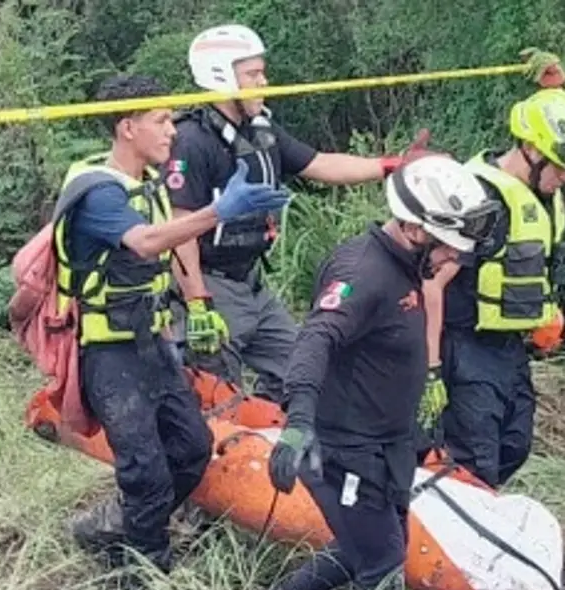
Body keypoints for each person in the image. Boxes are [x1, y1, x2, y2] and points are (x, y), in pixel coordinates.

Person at [255, 154, 501, 590]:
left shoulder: (407, 265)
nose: (453, 261)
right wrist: (298, 421)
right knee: (383, 561)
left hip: (388, 443)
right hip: (341, 449)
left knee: (368, 546)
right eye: (447, 249)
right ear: (414, 229)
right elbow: (315, 340)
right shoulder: (363, 272)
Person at [58, 73, 290, 590]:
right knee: (145, 471)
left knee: (189, 450)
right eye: (161, 121)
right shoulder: (97, 191)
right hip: (109, 354)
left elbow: (166, 252)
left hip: (153, 345)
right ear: (128, 128)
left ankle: (118, 527)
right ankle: (138, 584)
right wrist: (219, 212)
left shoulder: (151, 183)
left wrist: (194, 304)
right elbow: (142, 243)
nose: (171, 131)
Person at [166, 23, 432, 404]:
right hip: (212, 284)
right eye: (253, 74)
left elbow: (321, 164)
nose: (265, 81)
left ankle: (269, 426)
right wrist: (197, 302)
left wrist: (393, 165)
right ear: (222, 77)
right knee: (216, 394)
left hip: (254, 283)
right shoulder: (191, 140)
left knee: (305, 369)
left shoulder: (261, 131)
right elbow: (180, 225)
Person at [418, 49, 565, 488]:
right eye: (561, 168)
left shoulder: (548, 179)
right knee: (476, 461)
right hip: (464, 346)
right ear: (531, 149)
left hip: (508, 347)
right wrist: (431, 371)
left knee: (515, 445)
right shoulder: (482, 201)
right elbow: (430, 283)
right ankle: (451, 535)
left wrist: (561, 88)